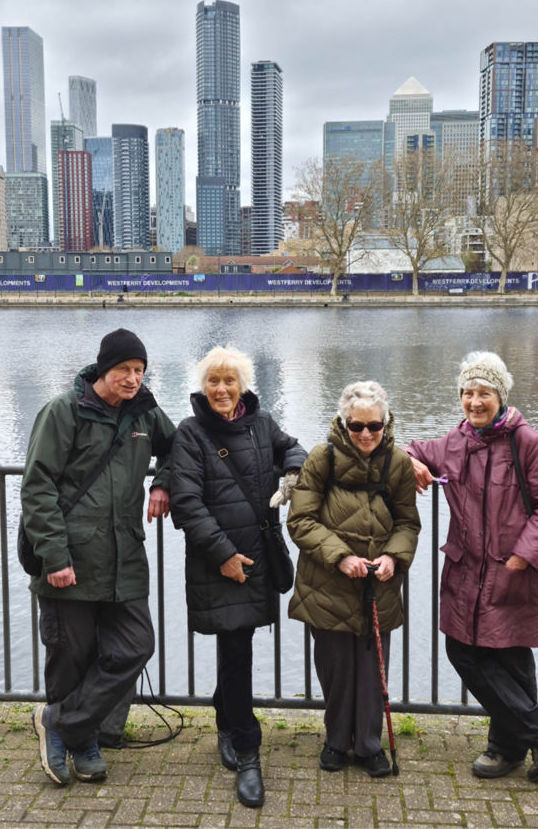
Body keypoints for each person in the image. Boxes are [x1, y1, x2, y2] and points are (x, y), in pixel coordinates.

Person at [405, 352, 538, 783]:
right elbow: (409, 448)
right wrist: (410, 461)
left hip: (512, 571)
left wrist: (525, 554)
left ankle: (509, 748)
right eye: (467, 392)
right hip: (466, 573)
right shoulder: (455, 442)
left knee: (510, 656)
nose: (475, 401)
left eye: (484, 392)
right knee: (465, 651)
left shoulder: (527, 442)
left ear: (500, 396)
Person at [22, 329, 175, 785]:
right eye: (124, 369)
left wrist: (163, 482)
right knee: (71, 656)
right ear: (103, 369)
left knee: (135, 645)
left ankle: (59, 722)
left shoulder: (145, 413)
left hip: (125, 557)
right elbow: (38, 487)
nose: (132, 378)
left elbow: (179, 447)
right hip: (71, 558)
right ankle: (82, 741)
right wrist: (55, 557)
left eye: (139, 370)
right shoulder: (64, 411)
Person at [169, 345, 307, 808]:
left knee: (237, 649)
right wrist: (224, 555)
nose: (222, 389)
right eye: (214, 381)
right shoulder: (190, 433)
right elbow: (187, 504)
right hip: (221, 564)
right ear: (203, 386)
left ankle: (226, 719)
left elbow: (293, 447)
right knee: (236, 650)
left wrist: (293, 467)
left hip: (258, 558)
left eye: (230, 381)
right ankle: (248, 752)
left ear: (243, 385)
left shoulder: (262, 423)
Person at [286, 381, 420, 777]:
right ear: (344, 424)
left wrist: (394, 556)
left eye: (374, 426)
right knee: (337, 669)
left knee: (373, 670)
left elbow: (408, 523)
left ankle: (369, 745)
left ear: (385, 423)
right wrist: (341, 556)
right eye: (356, 426)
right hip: (328, 583)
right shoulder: (321, 458)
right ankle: (336, 741)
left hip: (377, 585)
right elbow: (300, 520)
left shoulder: (398, 463)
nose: (365, 434)